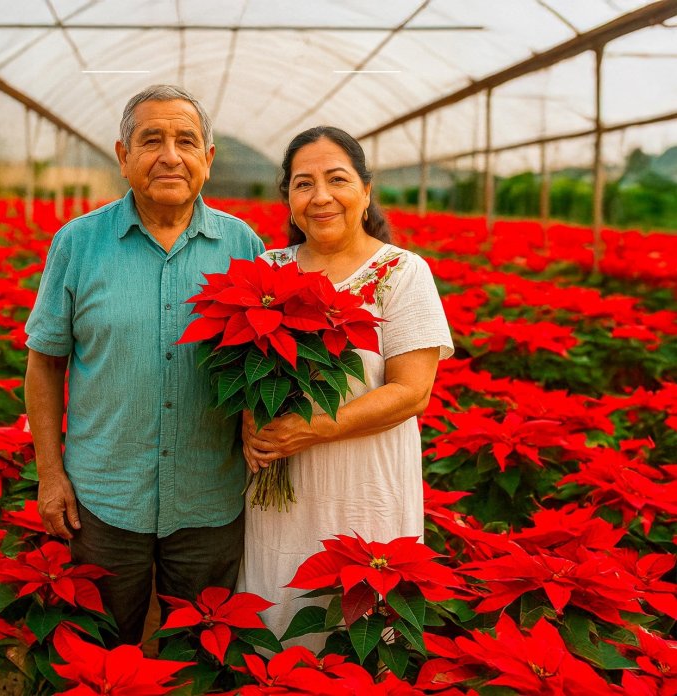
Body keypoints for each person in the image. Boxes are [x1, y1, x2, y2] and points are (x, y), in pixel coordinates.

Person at [24, 84, 265, 645]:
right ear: (122, 154)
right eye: (151, 139)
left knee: (202, 656)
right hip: (103, 501)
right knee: (99, 650)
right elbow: (44, 365)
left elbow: (265, 357)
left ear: (208, 158)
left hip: (209, 497)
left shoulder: (245, 245)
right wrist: (50, 473)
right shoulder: (78, 243)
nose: (169, 155)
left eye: (186, 140)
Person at [237, 126, 454, 650]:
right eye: (303, 184)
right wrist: (250, 421)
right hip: (281, 491)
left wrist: (306, 431)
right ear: (288, 198)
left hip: (364, 486)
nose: (321, 196)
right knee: (277, 621)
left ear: (365, 190)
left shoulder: (402, 272)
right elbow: (242, 369)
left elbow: (412, 392)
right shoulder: (267, 269)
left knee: (355, 626)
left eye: (337, 179)